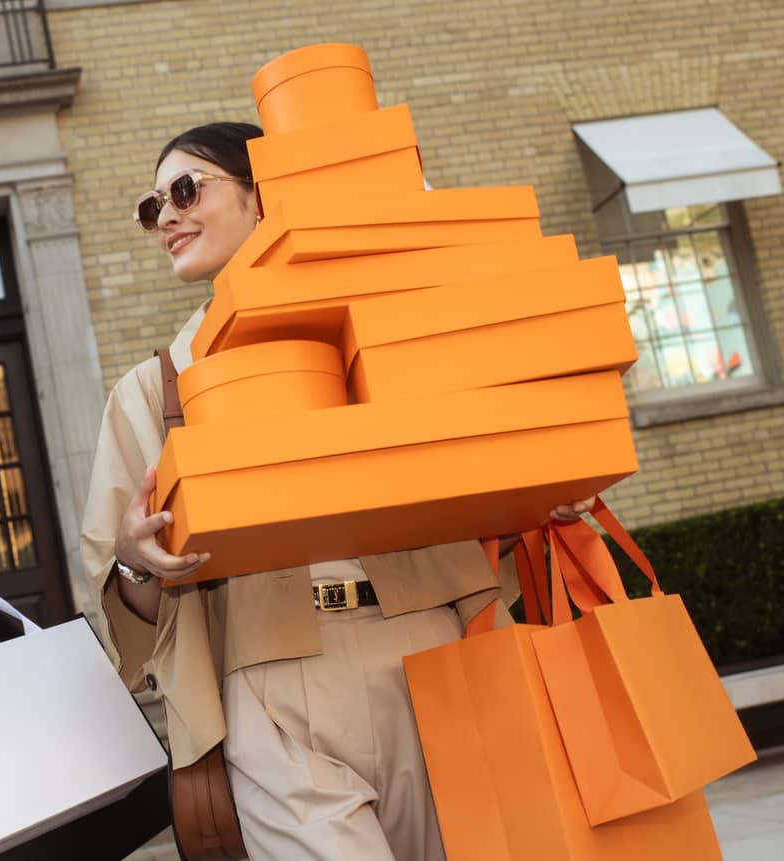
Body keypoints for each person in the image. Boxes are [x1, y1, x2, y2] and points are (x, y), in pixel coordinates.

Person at [80, 123, 592, 861]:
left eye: (187, 190)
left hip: (431, 649)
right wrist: (136, 560)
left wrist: (532, 497)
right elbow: (117, 594)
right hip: (269, 685)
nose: (166, 216)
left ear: (266, 196)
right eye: (150, 205)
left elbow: (461, 481)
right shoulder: (146, 393)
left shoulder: (381, 337)